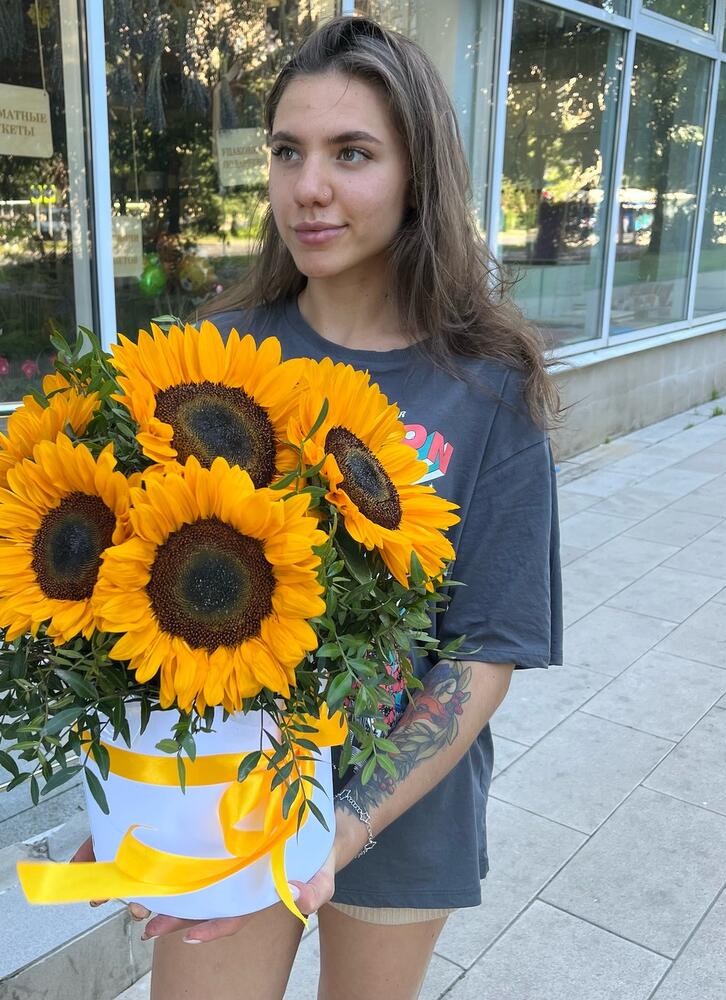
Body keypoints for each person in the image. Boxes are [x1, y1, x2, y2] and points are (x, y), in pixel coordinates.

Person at [71, 15, 562, 999]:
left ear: (418, 174)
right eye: (288, 151)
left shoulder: (486, 387)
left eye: (352, 153)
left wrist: (341, 824)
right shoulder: (213, 359)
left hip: (403, 810)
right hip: (227, 799)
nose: (308, 186)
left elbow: (484, 652)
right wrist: (130, 779)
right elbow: (130, 581)